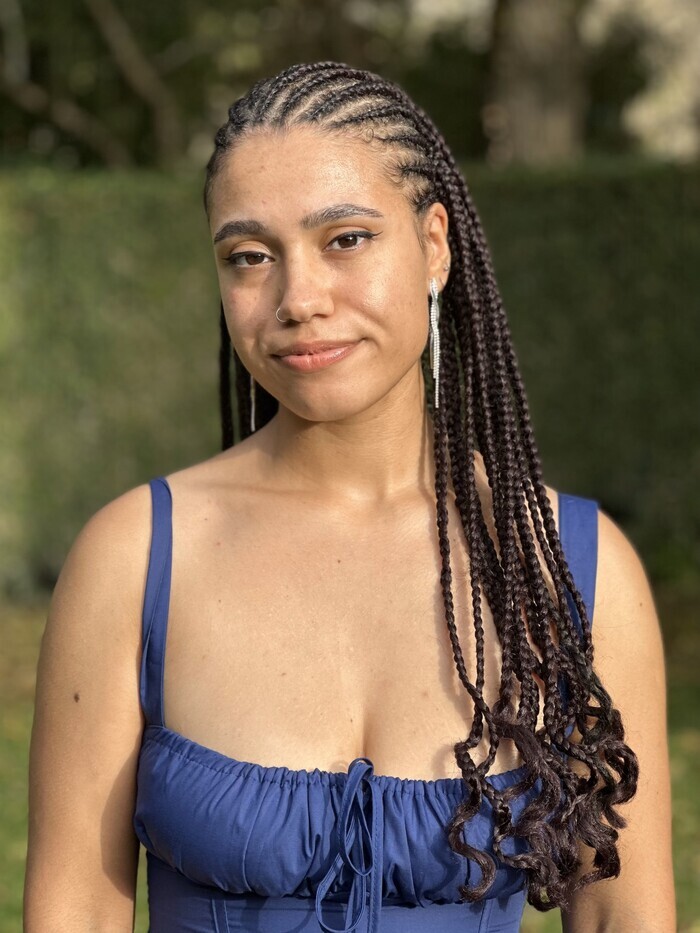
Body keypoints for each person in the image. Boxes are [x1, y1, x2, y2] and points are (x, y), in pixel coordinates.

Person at [24, 61, 674, 932]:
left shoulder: (568, 568)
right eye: (250, 257)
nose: (299, 299)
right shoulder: (135, 560)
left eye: (346, 239)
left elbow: (620, 915)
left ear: (435, 245)